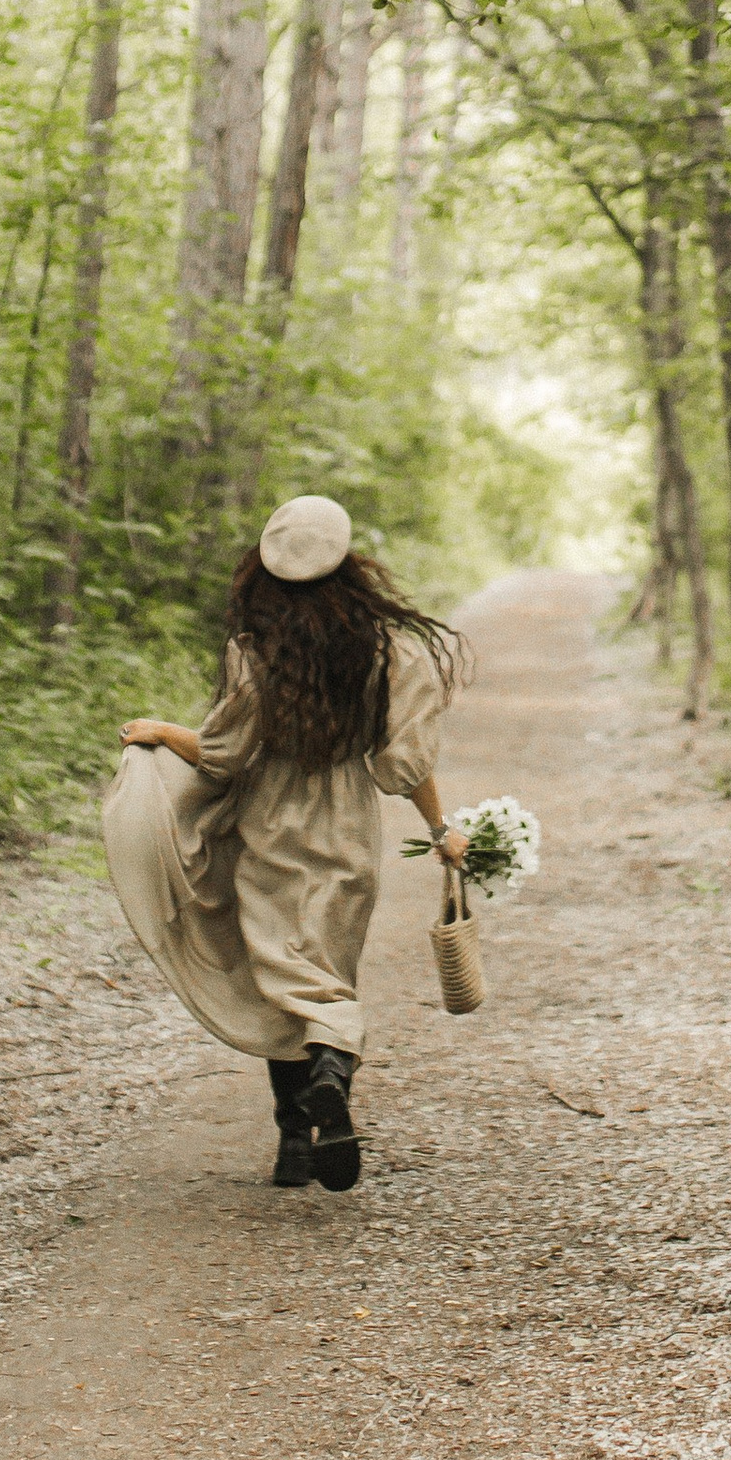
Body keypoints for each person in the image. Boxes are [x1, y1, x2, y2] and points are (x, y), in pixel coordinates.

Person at [112, 495, 470, 1191]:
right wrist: (438, 830)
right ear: (349, 567)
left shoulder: (256, 651)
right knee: (327, 972)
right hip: (347, 826)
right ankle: (332, 1070)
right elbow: (403, 766)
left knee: (280, 977)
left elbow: (223, 755)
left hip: (269, 822)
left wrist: (161, 732)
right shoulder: (389, 651)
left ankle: (293, 1146)